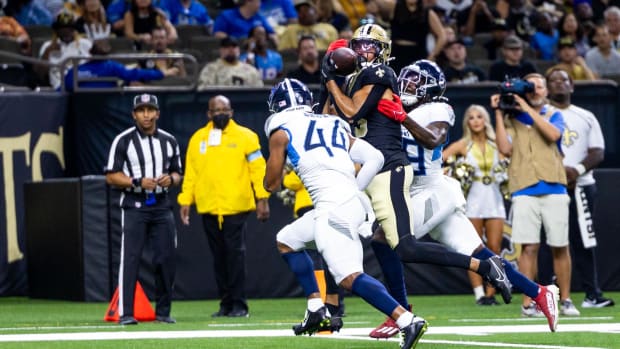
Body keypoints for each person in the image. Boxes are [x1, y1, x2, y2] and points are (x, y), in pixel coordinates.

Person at [320, 24, 512, 337]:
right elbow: (334, 118)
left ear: (383, 50)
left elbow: (352, 113)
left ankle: (484, 267)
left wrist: (330, 79)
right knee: (372, 237)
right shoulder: (354, 78)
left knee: (405, 247)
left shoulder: (380, 75)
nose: (362, 51)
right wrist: (329, 80)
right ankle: (387, 313)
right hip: (371, 170)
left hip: (390, 170)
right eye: (358, 45)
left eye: (370, 46)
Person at [376, 60, 559, 333]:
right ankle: (540, 293)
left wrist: (401, 116)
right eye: (406, 79)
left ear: (431, 87)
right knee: (479, 252)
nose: (407, 85)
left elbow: (433, 138)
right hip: (414, 190)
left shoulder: (437, 108)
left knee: (384, 237)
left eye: (415, 80)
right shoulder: (401, 109)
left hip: (430, 189)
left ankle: (399, 312)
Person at [263, 78, 427, 348]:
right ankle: (317, 309)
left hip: (332, 208)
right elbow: (375, 156)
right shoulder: (333, 122)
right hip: (349, 201)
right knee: (287, 240)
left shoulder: (280, 129)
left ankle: (406, 320)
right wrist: (355, 189)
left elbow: (271, 185)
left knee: (348, 277)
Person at [492, 73, 581, 317]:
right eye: (530, 86)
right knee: (528, 248)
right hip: (523, 188)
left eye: (539, 86)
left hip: (554, 187)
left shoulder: (554, 114)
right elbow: (504, 149)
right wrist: (499, 112)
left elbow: (553, 135)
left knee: (560, 245)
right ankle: (529, 303)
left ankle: (566, 300)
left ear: (545, 91)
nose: (534, 90)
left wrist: (527, 109)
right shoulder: (511, 117)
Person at [177, 95, 270, 318]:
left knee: (234, 256)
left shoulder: (246, 136)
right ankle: (225, 304)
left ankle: (239, 304)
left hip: (236, 207)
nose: (220, 113)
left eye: (224, 109)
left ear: (232, 111)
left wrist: (262, 199)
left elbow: (258, 170)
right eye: (215, 110)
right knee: (219, 258)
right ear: (208, 114)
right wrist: (185, 200)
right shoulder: (198, 138)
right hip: (209, 206)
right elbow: (191, 173)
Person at [104, 93, 182, 325]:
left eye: (150, 110)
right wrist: (136, 182)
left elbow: (178, 172)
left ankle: (163, 311)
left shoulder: (169, 141)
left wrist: (171, 179)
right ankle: (126, 313)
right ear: (134, 114)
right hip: (134, 205)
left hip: (162, 205)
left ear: (158, 113)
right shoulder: (123, 140)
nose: (146, 115)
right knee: (131, 258)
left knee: (166, 258)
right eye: (141, 110)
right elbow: (111, 176)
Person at [546, 68, 614, 308]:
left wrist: (576, 170)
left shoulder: (585, 116)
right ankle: (546, 294)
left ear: (572, 85)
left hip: (581, 186)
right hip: (548, 185)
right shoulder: (541, 116)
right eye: (553, 80)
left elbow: (598, 152)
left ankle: (592, 294)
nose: (559, 84)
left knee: (583, 239)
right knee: (549, 240)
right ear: (546, 87)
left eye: (563, 79)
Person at [443, 104, 507, 305]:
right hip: (473, 198)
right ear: (467, 122)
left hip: (495, 197)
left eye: (480, 116)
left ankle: (491, 294)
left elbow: (510, 159)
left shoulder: (497, 144)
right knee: (474, 247)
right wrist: (452, 173)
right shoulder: (463, 145)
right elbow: (441, 160)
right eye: (471, 117)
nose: (476, 120)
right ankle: (479, 294)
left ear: (485, 120)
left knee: (495, 248)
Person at [63, 38, 171, 91]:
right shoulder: (111, 66)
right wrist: (160, 73)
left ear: (90, 52)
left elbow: (62, 88)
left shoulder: (77, 70)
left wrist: (159, 74)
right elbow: (133, 74)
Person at [197, 36, 263, 89]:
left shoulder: (250, 70)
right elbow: (203, 90)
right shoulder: (211, 69)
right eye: (227, 47)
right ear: (221, 50)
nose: (231, 49)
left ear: (238, 50)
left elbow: (259, 91)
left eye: (234, 46)